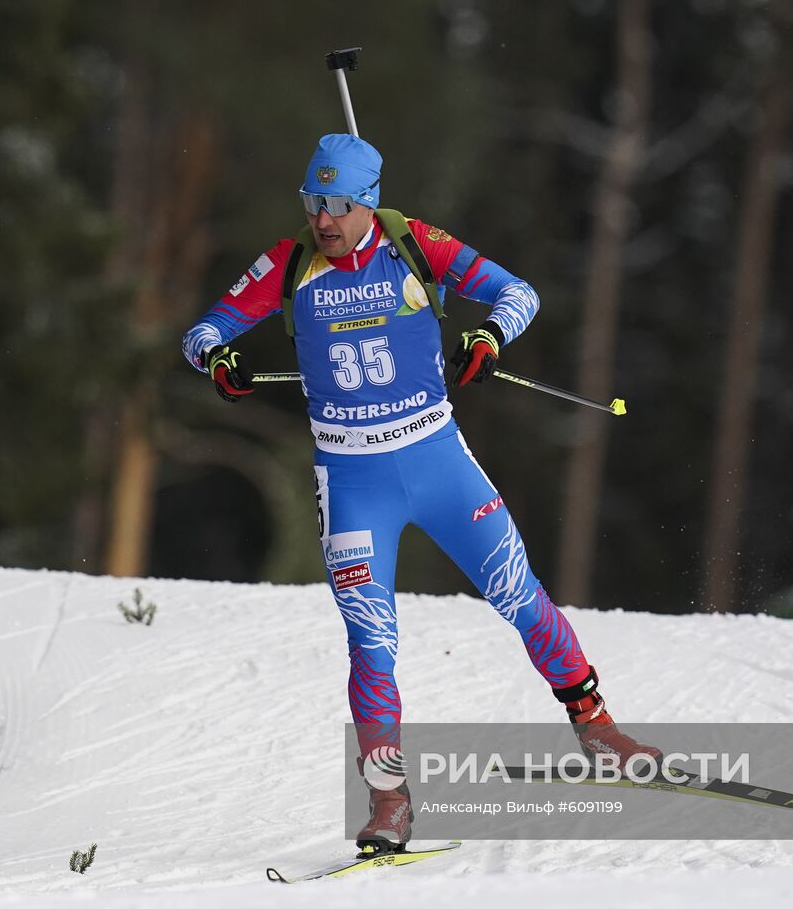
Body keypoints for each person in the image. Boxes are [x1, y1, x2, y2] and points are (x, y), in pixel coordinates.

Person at [182, 134, 657, 853]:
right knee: (371, 644)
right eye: (314, 203)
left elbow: (516, 292)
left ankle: (598, 729)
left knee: (518, 593)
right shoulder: (287, 264)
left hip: (437, 459)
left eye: (338, 205)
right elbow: (203, 330)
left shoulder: (414, 246)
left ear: (368, 202)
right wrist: (219, 359)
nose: (324, 220)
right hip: (352, 481)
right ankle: (389, 801)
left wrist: (490, 338)